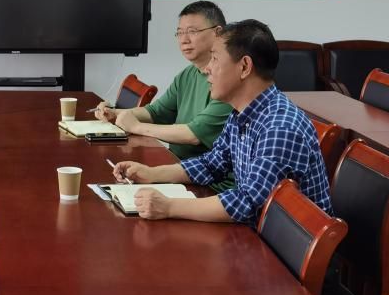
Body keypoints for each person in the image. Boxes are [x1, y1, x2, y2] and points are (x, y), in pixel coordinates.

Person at [113, 20, 331, 223]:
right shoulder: (241, 113)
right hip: (255, 233)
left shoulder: (280, 127)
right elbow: (212, 164)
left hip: (281, 246)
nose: (207, 68)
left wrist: (168, 207)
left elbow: (247, 203)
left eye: (215, 59)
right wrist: (151, 174)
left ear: (244, 67)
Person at [94, 0, 232, 181]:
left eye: (192, 31)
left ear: (218, 32)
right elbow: (157, 112)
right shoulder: (187, 74)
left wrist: (136, 126)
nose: (184, 40)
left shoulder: (227, 82)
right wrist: (115, 113)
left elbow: (193, 135)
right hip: (177, 166)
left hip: (203, 179)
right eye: (180, 32)